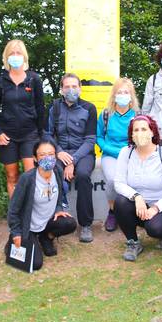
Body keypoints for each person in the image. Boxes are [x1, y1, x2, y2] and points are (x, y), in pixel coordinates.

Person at [113, 115, 162, 261]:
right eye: (136, 130)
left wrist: (156, 208)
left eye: (144, 129)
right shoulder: (126, 153)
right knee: (120, 202)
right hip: (138, 205)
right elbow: (119, 183)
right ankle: (133, 243)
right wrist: (136, 196)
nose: (140, 133)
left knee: (156, 229)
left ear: (152, 132)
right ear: (131, 135)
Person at [6, 140, 77, 271]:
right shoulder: (27, 179)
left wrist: (59, 209)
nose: (47, 158)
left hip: (47, 222)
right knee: (36, 264)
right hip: (30, 226)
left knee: (69, 223)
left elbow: (60, 194)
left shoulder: (58, 171)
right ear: (35, 158)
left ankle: (46, 237)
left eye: (51, 154)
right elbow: (13, 209)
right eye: (42, 155)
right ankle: (17, 239)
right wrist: (16, 232)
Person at [0, 39, 45, 199]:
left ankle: (32, 214)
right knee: (12, 177)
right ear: (6, 57)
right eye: (12, 53)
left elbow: (41, 108)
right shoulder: (0, 81)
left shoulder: (34, 79)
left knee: (31, 176)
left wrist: (42, 137)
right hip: (8, 137)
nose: (15, 56)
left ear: (24, 56)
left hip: (30, 135)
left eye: (18, 53)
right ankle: (15, 216)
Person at [45, 73, 97, 243]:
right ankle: (55, 217)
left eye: (74, 86)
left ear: (80, 89)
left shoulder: (89, 108)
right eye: (67, 86)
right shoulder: (54, 107)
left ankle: (86, 225)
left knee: (82, 175)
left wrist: (72, 161)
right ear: (61, 89)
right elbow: (48, 134)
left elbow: (90, 140)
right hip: (60, 152)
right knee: (52, 170)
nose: (71, 90)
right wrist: (58, 152)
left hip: (83, 153)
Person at [97, 78, 137, 232]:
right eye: (119, 92)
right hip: (110, 154)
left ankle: (130, 213)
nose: (123, 95)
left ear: (131, 95)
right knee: (113, 180)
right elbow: (99, 136)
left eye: (126, 92)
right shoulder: (106, 114)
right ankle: (112, 212)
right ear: (114, 95)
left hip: (132, 155)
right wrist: (109, 149)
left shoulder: (137, 115)